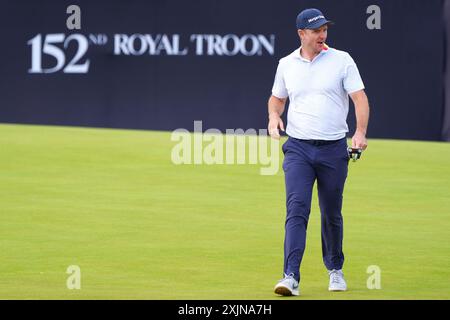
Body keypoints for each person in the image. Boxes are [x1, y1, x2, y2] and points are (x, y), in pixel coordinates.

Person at [268, 8, 370, 296]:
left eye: (324, 29)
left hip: (333, 149)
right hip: (298, 148)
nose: (322, 35)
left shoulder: (342, 60)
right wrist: (274, 117)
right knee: (296, 210)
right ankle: (290, 276)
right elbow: (276, 100)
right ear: (302, 33)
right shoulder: (286, 64)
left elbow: (359, 99)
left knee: (331, 213)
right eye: (316, 31)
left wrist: (360, 132)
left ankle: (335, 269)